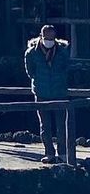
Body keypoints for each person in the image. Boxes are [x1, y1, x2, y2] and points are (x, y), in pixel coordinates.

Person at [24, 24, 71, 163]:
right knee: (45, 126)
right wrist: (38, 80)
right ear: (41, 36)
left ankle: (62, 154)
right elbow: (30, 71)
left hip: (59, 92)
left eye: (52, 38)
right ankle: (49, 153)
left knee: (61, 125)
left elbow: (66, 68)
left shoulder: (62, 51)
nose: (49, 41)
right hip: (41, 92)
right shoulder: (31, 53)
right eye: (47, 38)